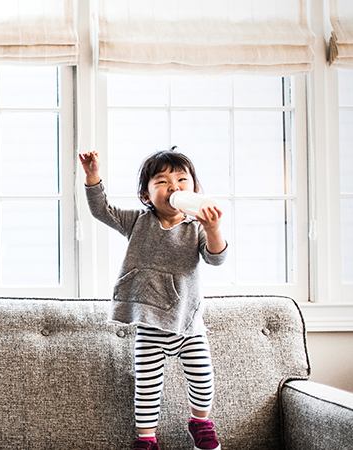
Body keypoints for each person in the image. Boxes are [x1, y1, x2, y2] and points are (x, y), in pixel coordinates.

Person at [79, 149, 228, 450]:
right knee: (146, 388)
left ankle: (200, 421)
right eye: (161, 181)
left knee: (203, 379)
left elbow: (216, 258)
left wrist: (214, 229)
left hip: (187, 323)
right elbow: (101, 211)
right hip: (149, 323)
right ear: (146, 195)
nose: (173, 186)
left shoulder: (196, 228)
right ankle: (146, 439)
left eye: (182, 179)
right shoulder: (138, 223)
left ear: (195, 190)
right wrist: (93, 176)